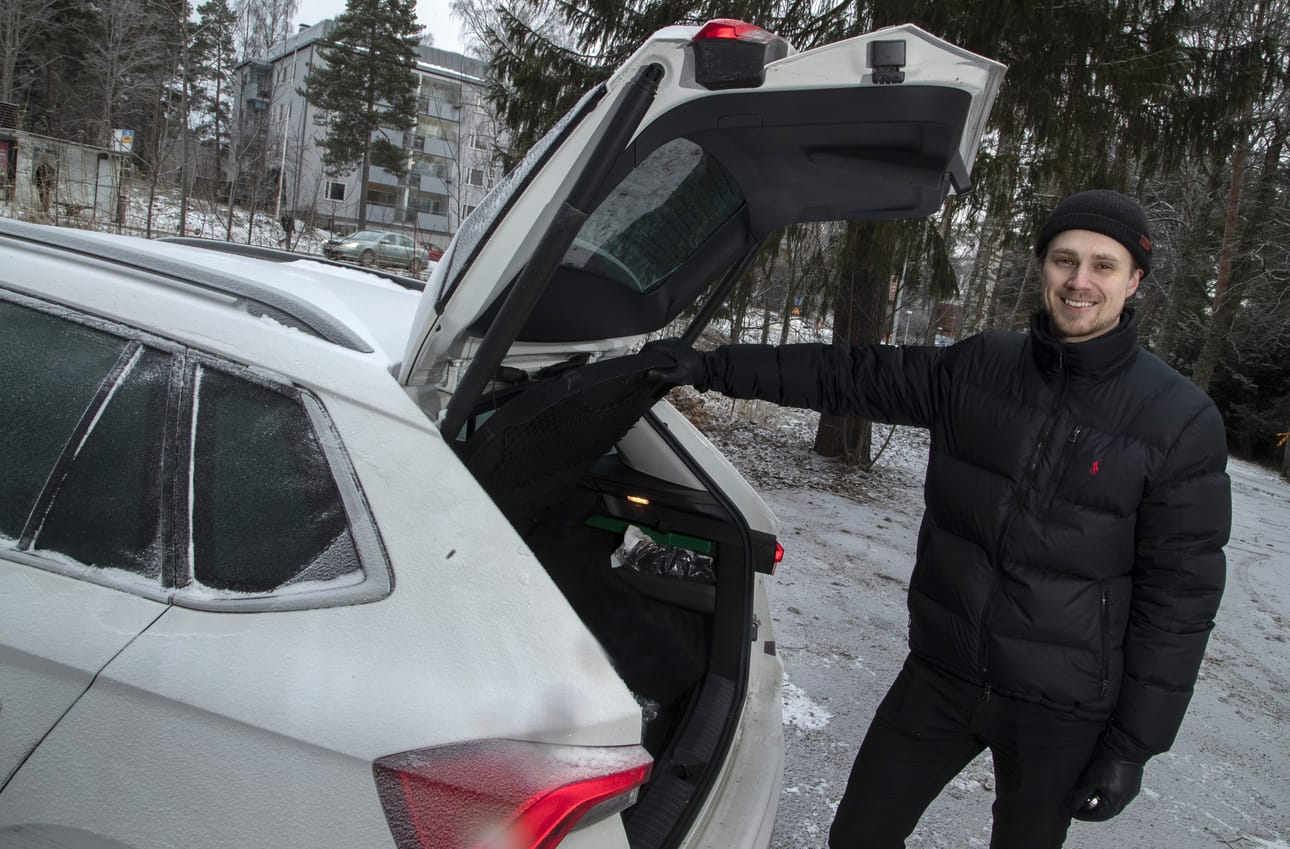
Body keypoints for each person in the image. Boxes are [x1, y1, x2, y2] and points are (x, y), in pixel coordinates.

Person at [645, 189, 1231, 849]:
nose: (1080, 281)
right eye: (1065, 259)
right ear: (1042, 266)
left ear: (1134, 281)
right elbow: (848, 375)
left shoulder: (1178, 420)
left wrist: (1134, 744)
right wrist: (705, 366)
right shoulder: (981, 367)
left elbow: (1180, 597)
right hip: (942, 673)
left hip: (1060, 709)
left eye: (1103, 265)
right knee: (860, 835)